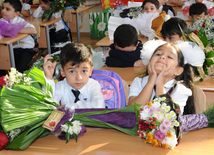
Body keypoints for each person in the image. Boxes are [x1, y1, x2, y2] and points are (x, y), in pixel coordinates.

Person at [128, 42, 196, 115]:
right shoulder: (139, 82)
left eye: (169, 57)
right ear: (149, 63)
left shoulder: (181, 90)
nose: (162, 57)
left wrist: (160, 83)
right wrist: (150, 83)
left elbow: (167, 117)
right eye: (158, 54)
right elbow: (132, 111)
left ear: (178, 70)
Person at [43, 43, 105, 109]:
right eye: (72, 71)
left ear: (90, 71)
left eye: (84, 71)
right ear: (62, 72)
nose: (79, 78)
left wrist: (69, 106)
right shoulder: (60, 86)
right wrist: (48, 78)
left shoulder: (93, 85)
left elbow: (99, 106)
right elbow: (48, 106)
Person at [1, 0, 37, 73]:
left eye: (7, 9)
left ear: (16, 14)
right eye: (3, 8)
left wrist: (14, 30)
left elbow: (33, 30)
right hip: (10, 49)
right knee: (2, 65)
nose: (3, 11)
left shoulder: (20, 21)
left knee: (21, 68)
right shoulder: (2, 21)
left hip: (24, 49)